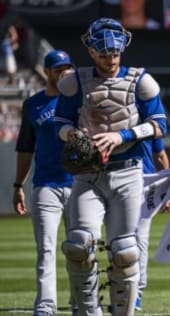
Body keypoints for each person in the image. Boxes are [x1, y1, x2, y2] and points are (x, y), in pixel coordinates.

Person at [54, 18, 167, 316]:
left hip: (128, 170)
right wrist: (74, 135)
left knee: (126, 250)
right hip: (87, 174)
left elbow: (160, 124)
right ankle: (88, 311)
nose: (111, 60)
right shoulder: (74, 81)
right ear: (91, 52)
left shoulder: (141, 81)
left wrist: (123, 135)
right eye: (104, 55)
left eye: (115, 54)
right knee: (78, 245)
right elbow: (59, 123)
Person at [12, 50, 74, 316]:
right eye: (58, 68)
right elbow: (26, 148)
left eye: (67, 67)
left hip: (79, 184)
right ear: (46, 72)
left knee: (80, 248)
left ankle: (80, 302)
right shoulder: (33, 104)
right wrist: (18, 186)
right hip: (46, 184)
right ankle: (46, 306)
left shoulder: (77, 101)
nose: (63, 71)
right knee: (46, 249)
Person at [135, 139, 170, 311]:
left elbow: (161, 155)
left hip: (145, 184)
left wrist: (166, 191)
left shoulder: (148, 121)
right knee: (119, 238)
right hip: (115, 182)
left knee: (140, 238)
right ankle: (123, 289)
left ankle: (136, 292)